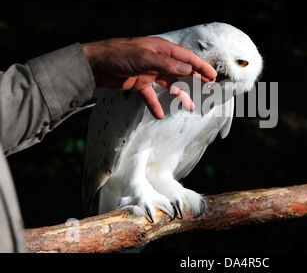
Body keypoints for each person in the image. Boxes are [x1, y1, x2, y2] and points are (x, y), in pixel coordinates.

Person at [0, 37, 217, 252]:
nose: (217, 70)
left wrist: (91, 64)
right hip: (117, 183)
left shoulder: (223, 98)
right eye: (203, 46)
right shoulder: (148, 79)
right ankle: (137, 182)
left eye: (241, 63)